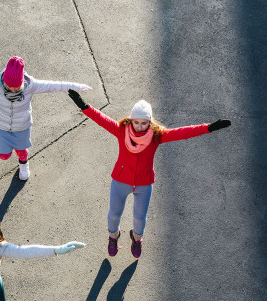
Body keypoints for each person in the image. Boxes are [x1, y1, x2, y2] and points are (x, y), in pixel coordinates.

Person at [68, 90, 231, 258]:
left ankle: (137, 239)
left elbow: (183, 132)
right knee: (114, 215)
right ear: (131, 120)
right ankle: (113, 237)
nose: (139, 126)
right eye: (136, 122)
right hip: (120, 180)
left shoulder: (157, 136)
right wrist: (83, 105)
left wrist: (209, 128)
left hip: (143, 184)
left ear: (150, 123)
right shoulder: (121, 130)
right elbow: (101, 119)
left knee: (139, 219)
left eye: (143, 123)